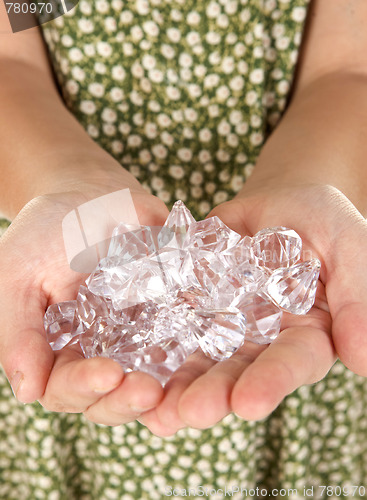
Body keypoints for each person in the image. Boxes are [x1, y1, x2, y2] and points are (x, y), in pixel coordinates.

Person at [1, 0, 367, 498]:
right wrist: (63, 182)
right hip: (56, 213)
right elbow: (9, 61)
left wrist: (310, 181)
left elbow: (347, 69)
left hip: (283, 356)